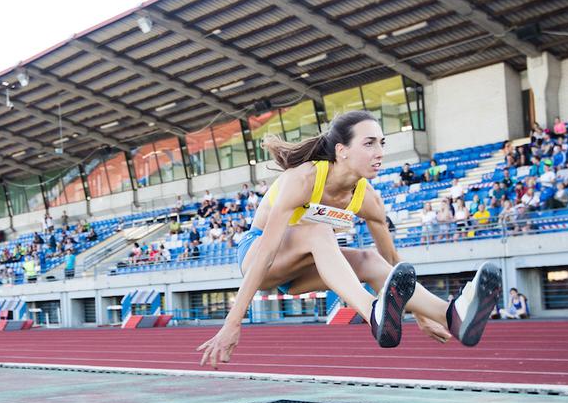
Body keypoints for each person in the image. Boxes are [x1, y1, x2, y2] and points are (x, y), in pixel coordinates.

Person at [196, 111, 501, 367]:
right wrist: (233, 321)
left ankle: (453, 315)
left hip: (304, 270)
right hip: (258, 257)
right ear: (342, 150)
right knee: (318, 230)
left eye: (382, 143)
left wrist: (419, 312)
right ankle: (373, 312)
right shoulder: (302, 180)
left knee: (370, 259)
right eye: (369, 144)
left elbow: (396, 267)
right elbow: (264, 254)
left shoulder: (368, 199)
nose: (380, 152)